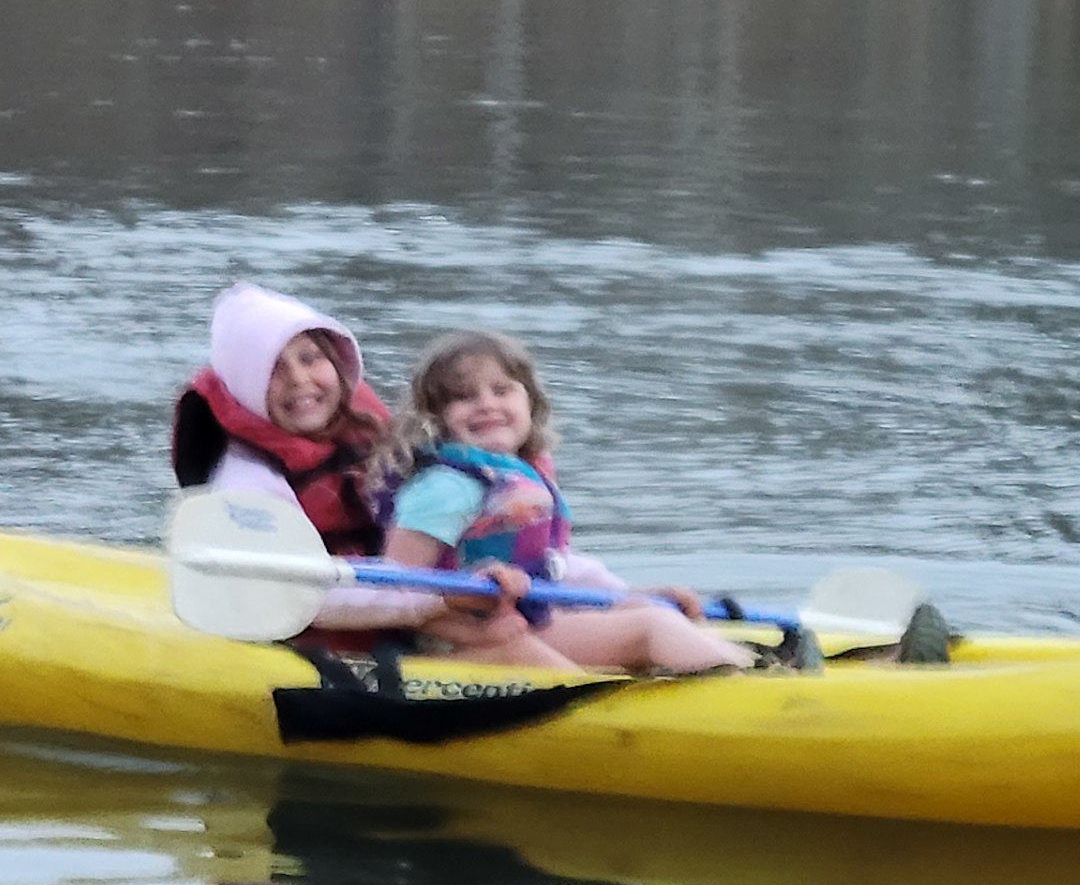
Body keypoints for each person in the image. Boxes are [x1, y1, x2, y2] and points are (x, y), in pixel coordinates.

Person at [371, 329, 744, 675]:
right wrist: (464, 595)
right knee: (651, 627)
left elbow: (553, 565)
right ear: (437, 418)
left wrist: (627, 593)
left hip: (531, 619)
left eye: (502, 390)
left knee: (645, 609)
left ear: (530, 401)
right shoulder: (444, 487)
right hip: (463, 642)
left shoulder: (522, 476)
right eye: (465, 397)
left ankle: (751, 673)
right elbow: (399, 583)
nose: (487, 404)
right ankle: (743, 695)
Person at [170, 280, 434, 635]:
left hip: (399, 604)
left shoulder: (368, 430)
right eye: (273, 369)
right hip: (314, 634)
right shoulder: (246, 481)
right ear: (246, 385)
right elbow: (300, 596)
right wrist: (437, 601)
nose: (298, 379)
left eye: (310, 358)